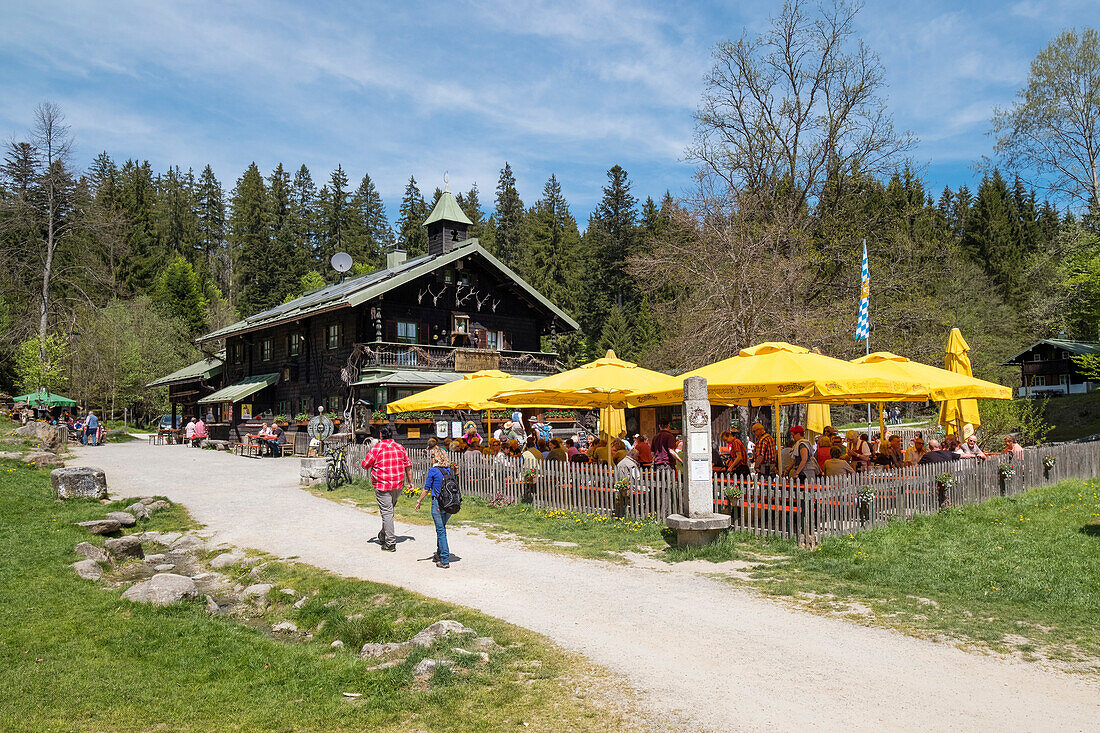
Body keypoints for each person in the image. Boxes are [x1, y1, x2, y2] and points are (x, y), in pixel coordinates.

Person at [360, 426, 412, 552]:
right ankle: (383, 535)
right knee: (388, 511)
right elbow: (408, 466)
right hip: (398, 485)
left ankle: (390, 543)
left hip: (382, 485)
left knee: (387, 512)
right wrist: (411, 483)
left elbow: (365, 465)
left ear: (381, 435)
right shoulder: (400, 447)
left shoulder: (377, 448)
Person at [416, 446, 455, 569]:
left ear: (435, 458)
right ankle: (439, 554)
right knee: (442, 528)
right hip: (449, 504)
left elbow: (426, 489)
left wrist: (419, 501)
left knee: (441, 531)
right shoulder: (450, 470)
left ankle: (444, 559)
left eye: (432, 457)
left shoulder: (433, 471)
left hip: (438, 503)